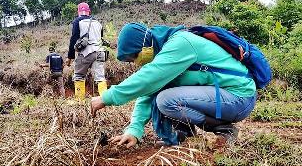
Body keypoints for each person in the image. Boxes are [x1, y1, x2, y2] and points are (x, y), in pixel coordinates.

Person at [91, 23, 257, 148]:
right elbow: (149, 91)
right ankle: (185, 134)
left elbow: (149, 79)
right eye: (131, 61)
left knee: (166, 100)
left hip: (239, 97)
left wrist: (107, 97)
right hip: (222, 97)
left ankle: (224, 129)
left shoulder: (180, 43)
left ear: (145, 44)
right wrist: (134, 130)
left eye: (135, 56)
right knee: (164, 94)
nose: (136, 62)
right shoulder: (166, 50)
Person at [66, 2, 107, 100]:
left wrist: (70, 57)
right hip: (100, 52)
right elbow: (101, 38)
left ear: (79, 12)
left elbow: (74, 39)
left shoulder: (77, 21)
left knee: (79, 75)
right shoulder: (98, 22)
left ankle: (79, 101)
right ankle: (106, 100)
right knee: (100, 77)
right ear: (89, 11)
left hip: (86, 53)